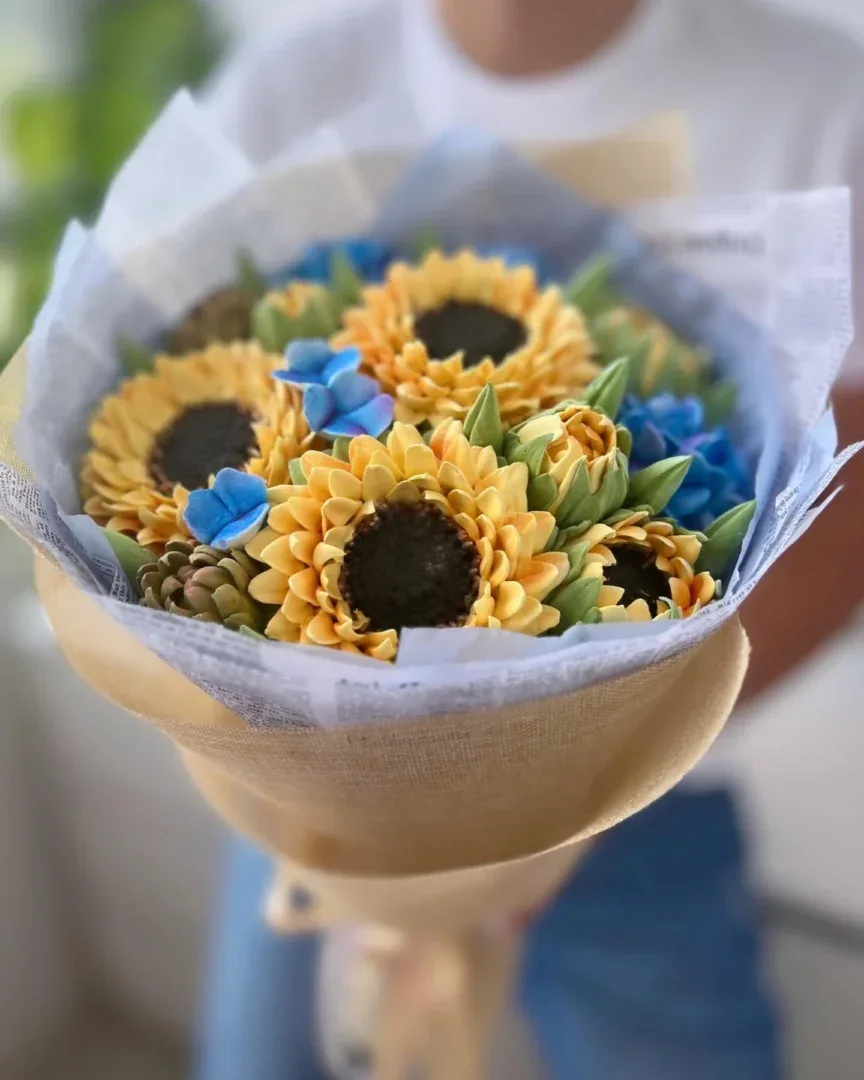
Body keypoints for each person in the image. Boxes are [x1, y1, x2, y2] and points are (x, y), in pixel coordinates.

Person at [196, 2, 864, 1077]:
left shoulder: (827, 107)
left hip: (648, 788)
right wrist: (381, 806)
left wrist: (553, 791)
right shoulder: (284, 90)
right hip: (308, 782)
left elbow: (846, 512)